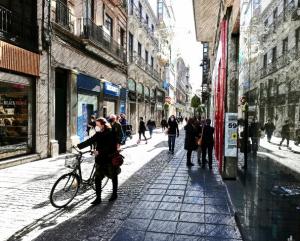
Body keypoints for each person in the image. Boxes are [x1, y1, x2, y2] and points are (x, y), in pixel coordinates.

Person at [77, 118, 119, 205]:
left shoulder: (111, 133)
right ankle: (98, 198)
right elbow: (90, 141)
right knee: (97, 178)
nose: (96, 126)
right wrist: (78, 146)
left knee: (113, 176)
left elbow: (111, 147)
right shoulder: (98, 134)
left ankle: (114, 193)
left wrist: (99, 151)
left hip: (109, 159)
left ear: (103, 125)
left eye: (97, 125)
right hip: (100, 160)